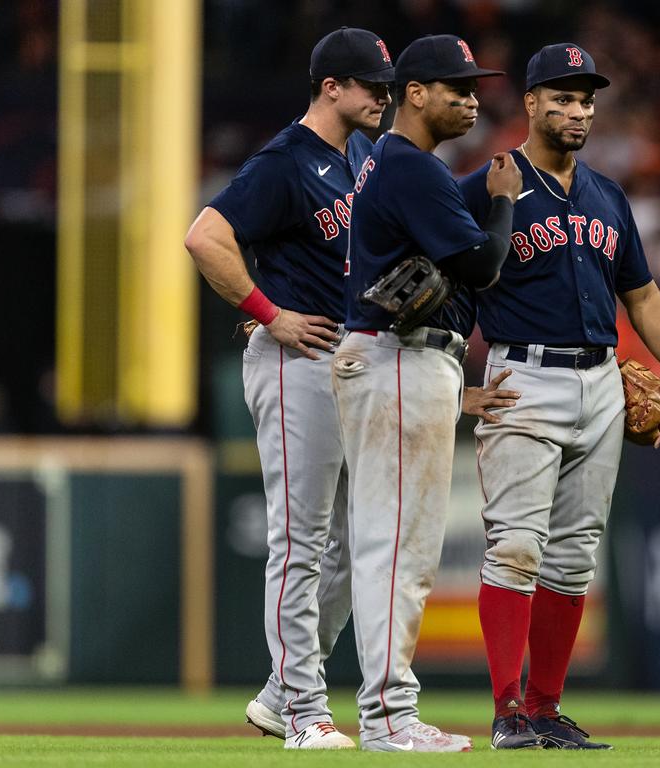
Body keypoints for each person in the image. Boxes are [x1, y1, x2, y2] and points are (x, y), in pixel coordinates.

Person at [457, 43, 660, 750]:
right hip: (522, 378)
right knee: (515, 549)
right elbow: (443, 282)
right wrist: (455, 379)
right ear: (530, 104)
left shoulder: (607, 195)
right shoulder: (489, 185)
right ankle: (506, 710)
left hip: (601, 379)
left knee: (572, 558)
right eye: (562, 97)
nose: (577, 110)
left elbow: (645, 296)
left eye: (586, 99)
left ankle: (543, 707)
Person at [184, 27, 394, 750]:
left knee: (349, 544)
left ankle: (280, 693)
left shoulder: (364, 155)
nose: (383, 96)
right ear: (331, 86)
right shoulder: (285, 160)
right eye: (371, 85)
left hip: (351, 357)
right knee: (301, 540)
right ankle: (306, 711)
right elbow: (205, 236)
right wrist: (268, 315)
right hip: (296, 359)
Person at [331, 34, 523, 752]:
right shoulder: (409, 167)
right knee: (399, 551)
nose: (472, 98)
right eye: (455, 86)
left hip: (403, 360)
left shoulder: (402, 166)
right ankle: (387, 717)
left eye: (474, 86)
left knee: (398, 548)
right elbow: (481, 266)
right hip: (399, 358)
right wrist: (501, 203)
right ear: (414, 93)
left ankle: (386, 711)